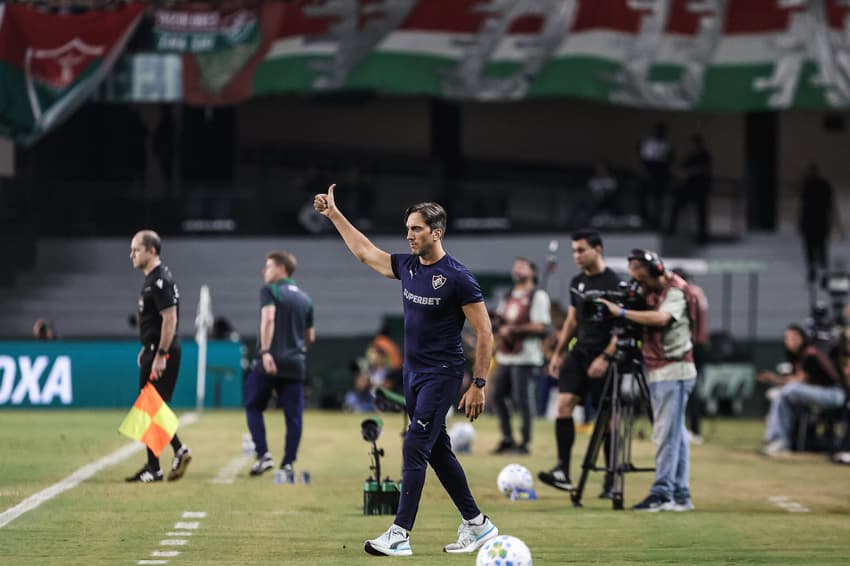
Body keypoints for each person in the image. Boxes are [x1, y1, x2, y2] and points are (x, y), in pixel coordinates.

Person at [314, 184, 498, 557]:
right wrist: (334, 215)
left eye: (416, 229)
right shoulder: (408, 265)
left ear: (436, 233)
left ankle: (400, 534)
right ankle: (478, 525)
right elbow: (366, 253)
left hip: (442, 374)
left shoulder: (458, 277)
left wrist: (478, 384)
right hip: (413, 376)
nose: (409, 235)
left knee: (414, 445)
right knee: (437, 451)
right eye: (408, 228)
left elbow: (485, 332)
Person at [597, 249, 697, 511]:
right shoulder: (652, 290)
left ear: (657, 271)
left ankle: (662, 493)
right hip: (661, 369)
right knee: (676, 435)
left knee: (665, 434)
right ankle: (681, 495)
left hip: (673, 370)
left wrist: (620, 312)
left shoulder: (676, 290)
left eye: (642, 279)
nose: (639, 286)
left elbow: (661, 318)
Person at [538, 229, 620, 495]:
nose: (576, 255)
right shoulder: (577, 282)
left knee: (607, 420)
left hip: (605, 356)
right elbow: (572, 320)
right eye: (574, 250)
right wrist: (560, 352)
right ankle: (563, 470)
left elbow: (623, 327)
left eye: (581, 250)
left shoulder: (615, 284)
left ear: (598, 249)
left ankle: (611, 479)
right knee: (563, 405)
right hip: (580, 353)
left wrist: (606, 357)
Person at [126, 230, 192, 483]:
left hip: (161, 351)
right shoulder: (154, 279)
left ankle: (177, 450)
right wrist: (148, 346)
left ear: (152, 250)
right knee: (151, 407)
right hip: (154, 349)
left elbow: (170, 318)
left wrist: (161, 353)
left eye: (136, 249)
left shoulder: (159, 280)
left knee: (149, 405)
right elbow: (157, 321)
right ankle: (154, 466)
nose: (132, 254)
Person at [245, 251, 315, 479]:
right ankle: (287, 464)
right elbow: (310, 337)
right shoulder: (305, 298)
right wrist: (295, 351)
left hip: (270, 360)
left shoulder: (270, 291)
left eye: (268, 266)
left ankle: (264, 455)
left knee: (253, 405)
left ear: (282, 269)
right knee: (294, 416)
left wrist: (265, 352)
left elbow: (268, 319)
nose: (264, 271)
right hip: (295, 364)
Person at [491, 257, 551, 454]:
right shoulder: (509, 295)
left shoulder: (538, 296)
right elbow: (501, 320)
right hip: (506, 355)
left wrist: (513, 330)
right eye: (515, 266)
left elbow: (540, 326)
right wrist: (497, 323)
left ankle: (525, 442)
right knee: (497, 395)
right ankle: (507, 437)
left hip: (526, 357)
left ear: (532, 272)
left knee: (522, 399)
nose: (517, 269)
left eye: (522, 266)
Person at [757, 323, 846, 457]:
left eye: (792, 338)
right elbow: (796, 381)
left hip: (834, 394)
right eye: (787, 338)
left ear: (801, 339)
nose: (788, 341)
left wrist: (773, 378)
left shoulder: (810, 353)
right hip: (817, 394)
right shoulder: (796, 356)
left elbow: (798, 381)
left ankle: (778, 440)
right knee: (781, 395)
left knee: (788, 390)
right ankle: (779, 441)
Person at [671, 268, 710, 444]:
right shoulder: (698, 293)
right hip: (698, 345)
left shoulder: (687, 294)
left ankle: (691, 430)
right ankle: (692, 430)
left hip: (689, 345)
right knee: (691, 389)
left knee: (686, 389)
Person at [798, 163, 841, 285]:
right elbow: (830, 206)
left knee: (811, 250)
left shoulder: (808, 186)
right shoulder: (823, 185)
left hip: (812, 223)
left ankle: (815, 272)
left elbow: (804, 207)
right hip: (821, 223)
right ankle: (822, 274)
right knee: (821, 249)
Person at [667, 135, 712, 243]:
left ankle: (702, 237)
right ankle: (671, 230)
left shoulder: (705, 155)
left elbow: (704, 169)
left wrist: (689, 172)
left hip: (701, 189)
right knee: (676, 206)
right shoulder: (690, 156)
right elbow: (680, 169)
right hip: (688, 188)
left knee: (701, 213)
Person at [638, 122, 675, 229]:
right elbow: (643, 158)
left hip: (661, 173)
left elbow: (670, 159)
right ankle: (645, 219)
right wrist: (644, 171)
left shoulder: (667, 145)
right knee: (643, 197)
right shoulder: (648, 143)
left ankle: (656, 222)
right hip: (649, 170)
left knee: (658, 199)